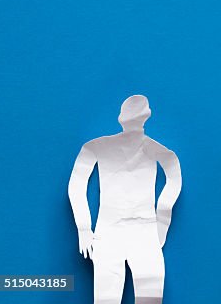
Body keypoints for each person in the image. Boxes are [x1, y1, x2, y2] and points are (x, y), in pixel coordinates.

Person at [68, 95, 182, 304]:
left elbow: (76, 185)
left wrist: (84, 228)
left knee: (115, 297)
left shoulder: (97, 146)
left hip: (119, 232)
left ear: (122, 119)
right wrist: (162, 219)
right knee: (142, 296)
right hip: (136, 232)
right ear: (146, 118)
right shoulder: (154, 148)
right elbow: (174, 173)